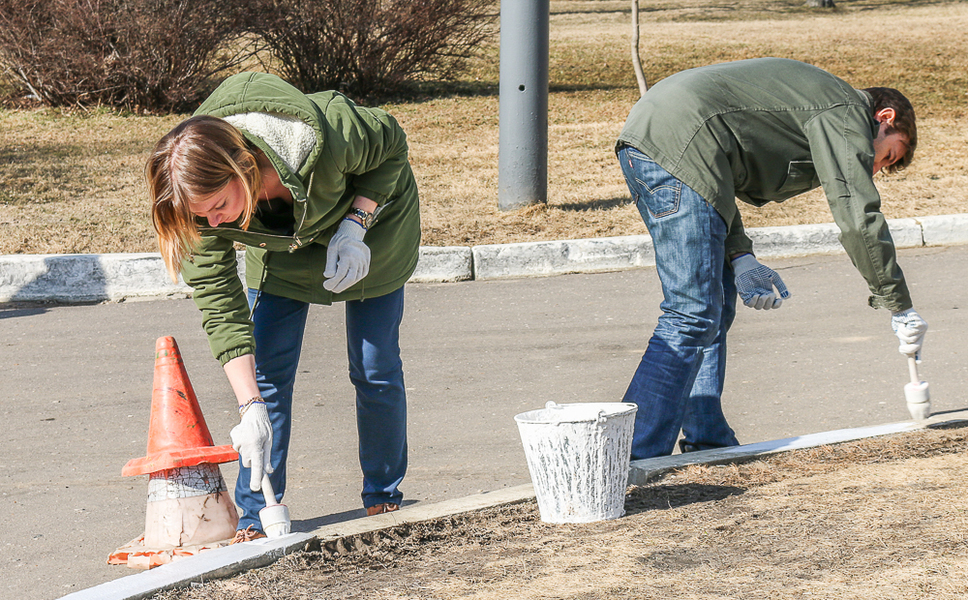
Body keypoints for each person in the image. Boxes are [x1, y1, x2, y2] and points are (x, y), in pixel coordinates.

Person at [147, 71, 421, 540]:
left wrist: (356, 224)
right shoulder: (197, 198)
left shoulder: (330, 131)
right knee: (267, 377)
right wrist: (248, 403)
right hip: (282, 253)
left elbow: (391, 145)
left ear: (241, 169)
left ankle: (384, 498)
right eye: (201, 217)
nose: (212, 222)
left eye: (219, 206)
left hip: (369, 235)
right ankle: (256, 518)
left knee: (374, 370)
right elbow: (219, 301)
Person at [614, 57, 928, 460]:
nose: (878, 168)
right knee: (690, 313)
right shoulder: (845, 108)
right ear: (885, 117)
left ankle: (708, 442)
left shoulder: (818, 99)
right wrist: (898, 304)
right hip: (675, 144)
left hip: (659, 140)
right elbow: (856, 216)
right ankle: (631, 455)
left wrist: (740, 256)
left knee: (712, 307)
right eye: (889, 155)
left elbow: (715, 166)